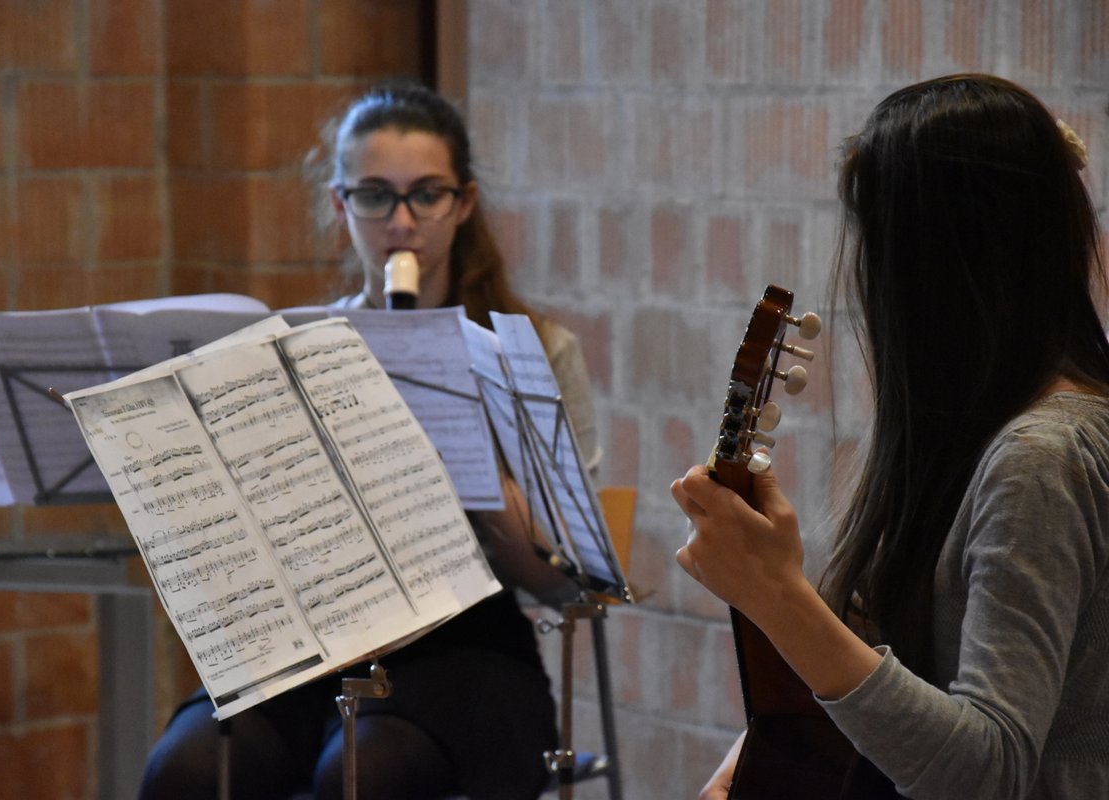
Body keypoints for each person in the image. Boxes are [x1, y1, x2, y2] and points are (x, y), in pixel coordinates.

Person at [138, 82, 600, 800]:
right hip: (314, 643)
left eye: (427, 195)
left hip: (463, 646)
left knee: (363, 774)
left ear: (464, 203)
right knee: (187, 770)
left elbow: (565, 581)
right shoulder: (296, 348)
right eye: (376, 196)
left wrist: (468, 463)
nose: (402, 222)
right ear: (340, 204)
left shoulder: (530, 352)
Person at [671, 74, 1109, 800]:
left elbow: (989, 768)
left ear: (932, 269)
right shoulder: (996, 431)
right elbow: (903, 681)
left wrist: (777, 595)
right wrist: (756, 751)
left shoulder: (1042, 458)